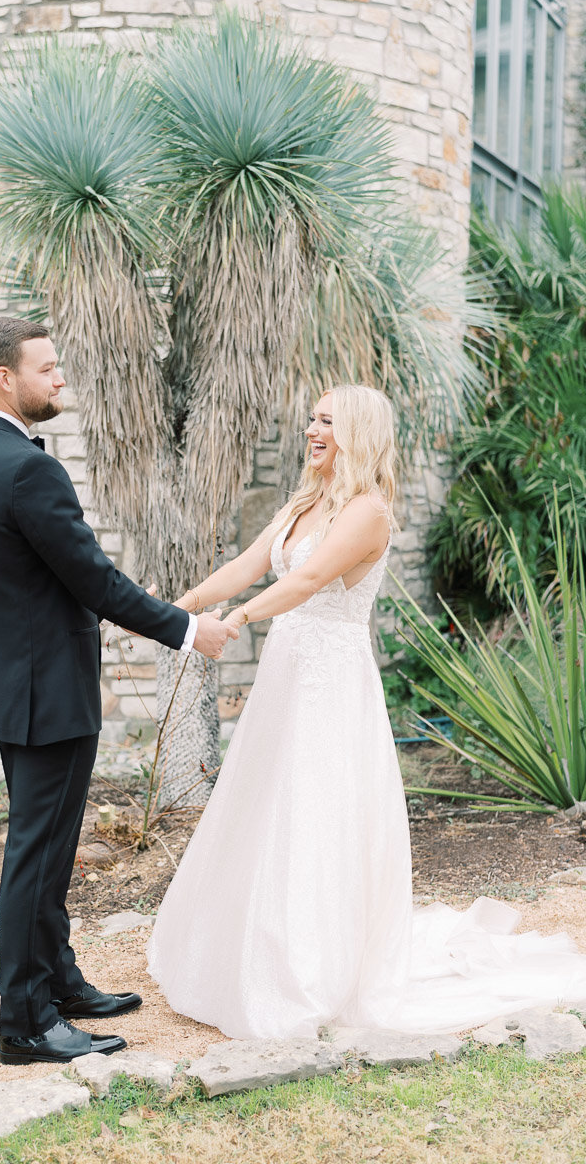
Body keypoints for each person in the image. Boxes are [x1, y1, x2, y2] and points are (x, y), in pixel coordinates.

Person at [147, 384, 586, 1040]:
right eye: (311, 418)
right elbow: (244, 565)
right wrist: (170, 612)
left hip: (330, 686)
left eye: (326, 420)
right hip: (286, 678)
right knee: (265, 806)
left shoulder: (368, 513)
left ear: (356, 432)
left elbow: (303, 582)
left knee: (313, 814)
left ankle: (308, 974)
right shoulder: (305, 503)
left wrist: (234, 620)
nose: (310, 429)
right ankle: (241, 955)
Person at [0, 316, 237, 1065]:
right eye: (47, 368)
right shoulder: (27, 469)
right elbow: (94, 581)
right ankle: (27, 1024)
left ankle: (59, 981)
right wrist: (184, 628)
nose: (60, 378)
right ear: (5, 378)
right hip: (50, 691)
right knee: (36, 857)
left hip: (14, 683)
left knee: (49, 849)